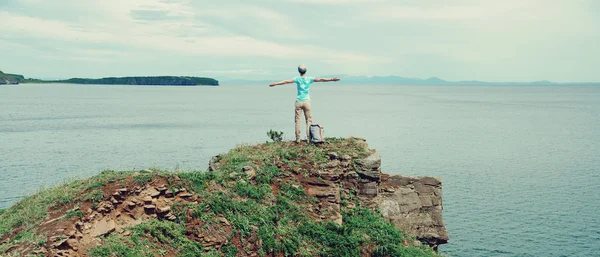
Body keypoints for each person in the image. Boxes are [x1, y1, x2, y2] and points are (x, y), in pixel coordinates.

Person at [269, 64, 340, 143]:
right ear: (305, 71)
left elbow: (286, 81)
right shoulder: (309, 79)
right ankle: (309, 139)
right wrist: (332, 79)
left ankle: (298, 139)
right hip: (307, 102)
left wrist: (275, 84)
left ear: (299, 71)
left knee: (298, 120)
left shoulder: (297, 79)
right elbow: (321, 79)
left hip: (298, 102)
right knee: (308, 121)